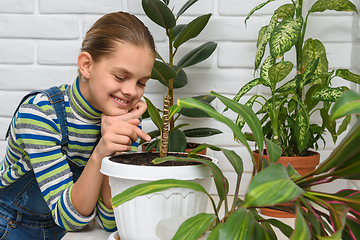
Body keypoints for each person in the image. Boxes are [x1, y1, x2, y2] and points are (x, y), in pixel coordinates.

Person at [0, 11, 155, 239]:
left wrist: (113, 150)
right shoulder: (40, 113)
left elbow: (111, 221)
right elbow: (70, 219)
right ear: (86, 65)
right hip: (10, 227)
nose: (132, 91)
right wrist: (101, 150)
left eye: (141, 82)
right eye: (120, 77)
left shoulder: (121, 120)